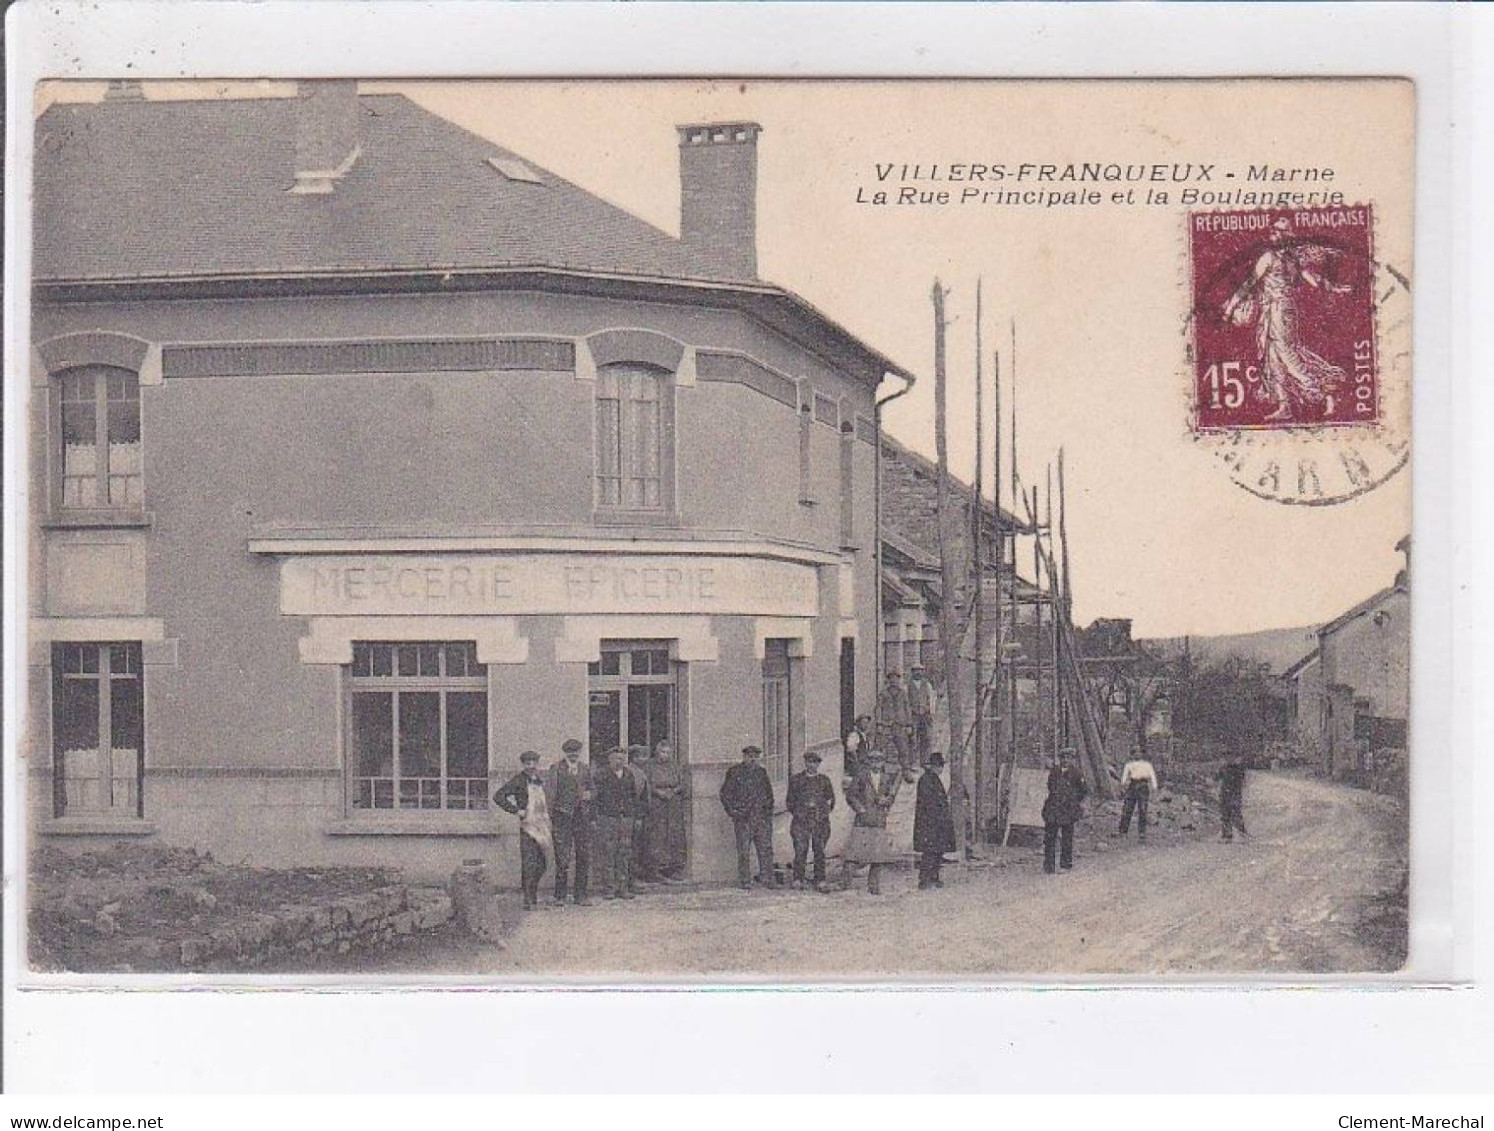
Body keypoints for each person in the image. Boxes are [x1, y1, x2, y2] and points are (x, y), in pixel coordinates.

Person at [492, 750, 553, 910]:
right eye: (527, 763)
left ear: (537, 763)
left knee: (543, 863)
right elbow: (498, 796)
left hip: (543, 826)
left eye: (533, 762)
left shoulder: (541, 780)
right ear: (523, 764)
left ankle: (532, 894)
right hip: (527, 826)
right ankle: (529, 899)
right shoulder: (518, 780)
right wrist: (516, 810)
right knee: (529, 863)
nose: (531, 766)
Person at [843, 748, 902, 894]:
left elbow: (891, 796)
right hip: (863, 821)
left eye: (879, 761)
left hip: (878, 820)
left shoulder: (886, 778)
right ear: (868, 762)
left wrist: (887, 801)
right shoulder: (861, 776)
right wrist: (860, 809)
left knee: (877, 856)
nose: (876, 764)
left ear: (882, 763)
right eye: (873, 761)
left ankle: (873, 887)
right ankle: (845, 884)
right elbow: (851, 795)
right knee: (854, 854)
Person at [543, 738, 593, 906]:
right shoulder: (556, 769)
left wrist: (589, 795)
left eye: (576, 751)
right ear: (565, 752)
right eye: (570, 751)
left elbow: (593, 790)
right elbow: (549, 795)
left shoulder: (585, 769)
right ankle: (560, 896)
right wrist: (550, 817)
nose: (573, 754)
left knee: (583, 856)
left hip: (581, 818)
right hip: (562, 817)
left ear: (580, 752)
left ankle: (581, 895)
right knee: (562, 857)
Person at [719, 744, 776, 889]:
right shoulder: (734, 772)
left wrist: (767, 812)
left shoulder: (761, 773)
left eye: (755, 757)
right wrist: (733, 812)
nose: (753, 759)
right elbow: (725, 794)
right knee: (744, 850)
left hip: (761, 818)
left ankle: (767, 878)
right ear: (744, 757)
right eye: (750, 756)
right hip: (743, 818)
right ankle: (745, 880)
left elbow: (769, 794)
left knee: (765, 849)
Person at [593, 747, 644, 900]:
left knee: (624, 853)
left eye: (622, 759)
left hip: (626, 818)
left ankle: (623, 887)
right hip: (608, 818)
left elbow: (635, 798)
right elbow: (595, 798)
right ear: (609, 760)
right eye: (616, 758)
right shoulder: (601, 775)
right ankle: (609, 888)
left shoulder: (629, 775)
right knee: (608, 852)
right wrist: (595, 818)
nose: (619, 761)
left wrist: (637, 817)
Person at [786, 749, 836, 890]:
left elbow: (831, 801)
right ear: (805, 763)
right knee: (800, 849)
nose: (812, 765)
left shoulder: (824, 781)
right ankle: (798, 879)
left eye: (815, 763)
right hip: (801, 822)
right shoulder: (796, 780)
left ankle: (820, 879)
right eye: (809, 762)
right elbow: (790, 801)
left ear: (818, 764)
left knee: (819, 849)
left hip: (820, 821)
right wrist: (800, 812)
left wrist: (821, 813)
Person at [644, 740, 688, 881]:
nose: (666, 755)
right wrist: (658, 792)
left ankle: (674, 868)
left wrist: (674, 791)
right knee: (658, 834)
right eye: (663, 752)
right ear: (657, 752)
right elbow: (646, 784)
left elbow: (683, 784)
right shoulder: (649, 766)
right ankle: (656, 869)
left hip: (673, 803)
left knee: (675, 834)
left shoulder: (675, 766)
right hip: (657, 804)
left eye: (668, 752)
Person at [913, 752, 957, 890]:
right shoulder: (925, 780)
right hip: (929, 823)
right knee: (929, 852)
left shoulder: (934, 779)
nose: (941, 769)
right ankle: (924, 880)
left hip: (938, 822)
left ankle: (934, 877)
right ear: (933, 766)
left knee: (938, 851)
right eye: (939, 766)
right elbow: (928, 803)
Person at [1042, 749, 1088, 874]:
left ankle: (1066, 864)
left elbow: (1083, 791)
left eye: (1069, 758)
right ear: (1060, 759)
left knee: (1067, 837)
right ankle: (1049, 866)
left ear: (1072, 759)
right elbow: (1050, 786)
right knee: (1050, 837)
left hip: (1068, 810)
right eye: (1063, 758)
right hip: (1054, 808)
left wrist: (1072, 801)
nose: (1066, 760)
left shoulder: (1077, 773)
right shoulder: (1054, 771)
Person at [1117, 746, 1160, 842]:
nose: (1137, 754)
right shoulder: (1129, 765)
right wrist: (1123, 785)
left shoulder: (1147, 765)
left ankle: (1142, 833)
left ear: (1142, 754)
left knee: (1143, 809)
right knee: (1127, 808)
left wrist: (1154, 787)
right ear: (1132, 754)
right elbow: (1124, 776)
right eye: (1135, 752)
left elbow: (1152, 776)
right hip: (1133, 785)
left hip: (1143, 786)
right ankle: (1123, 831)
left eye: (1139, 752)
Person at [626, 745, 654, 886]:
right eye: (641, 756)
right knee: (632, 847)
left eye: (644, 756)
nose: (644, 759)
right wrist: (637, 816)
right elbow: (635, 796)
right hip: (635, 815)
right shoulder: (631, 772)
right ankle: (632, 878)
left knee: (638, 845)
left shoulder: (641, 772)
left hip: (642, 814)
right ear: (634, 758)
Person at [876, 671, 913, 775]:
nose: (893, 681)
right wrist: (879, 723)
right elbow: (878, 708)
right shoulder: (883, 693)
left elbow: (907, 709)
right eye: (891, 678)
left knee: (903, 749)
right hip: (886, 725)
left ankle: (906, 771)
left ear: (898, 680)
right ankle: (879, 771)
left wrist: (909, 724)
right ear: (888, 680)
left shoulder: (903, 693)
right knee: (881, 747)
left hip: (900, 725)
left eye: (895, 678)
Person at [908, 666, 937, 762]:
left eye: (920, 671)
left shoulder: (927, 685)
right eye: (916, 671)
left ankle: (925, 760)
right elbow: (906, 702)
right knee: (913, 739)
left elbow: (931, 699)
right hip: (913, 716)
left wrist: (930, 712)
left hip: (925, 715)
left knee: (926, 737)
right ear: (912, 673)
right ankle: (913, 761)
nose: (918, 673)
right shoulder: (907, 686)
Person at [1217, 756, 1249, 842]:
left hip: (1233, 793)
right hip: (1226, 793)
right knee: (1226, 813)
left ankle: (1241, 834)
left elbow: (1242, 781)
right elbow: (1217, 779)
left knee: (1235, 813)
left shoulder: (1238, 769)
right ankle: (1227, 834)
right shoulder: (1224, 768)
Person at [843, 714, 873, 780]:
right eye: (864, 723)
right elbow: (851, 750)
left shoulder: (865, 736)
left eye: (867, 723)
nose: (866, 725)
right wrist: (857, 763)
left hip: (864, 766)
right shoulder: (854, 735)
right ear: (858, 724)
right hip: (858, 767)